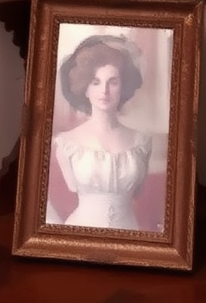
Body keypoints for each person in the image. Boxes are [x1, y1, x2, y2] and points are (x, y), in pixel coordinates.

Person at [50, 35, 152, 230]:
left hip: (130, 233)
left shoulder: (142, 142)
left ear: (123, 87)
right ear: (85, 88)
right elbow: (72, 187)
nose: (104, 90)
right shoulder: (66, 143)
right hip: (80, 233)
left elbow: (138, 191)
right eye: (95, 82)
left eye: (112, 82)